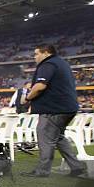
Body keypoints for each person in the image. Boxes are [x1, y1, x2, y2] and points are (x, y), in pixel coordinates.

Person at [21, 45, 84, 177]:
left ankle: (42, 171)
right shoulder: (62, 63)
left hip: (54, 109)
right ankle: (77, 167)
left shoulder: (48, 64)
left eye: (37, 54)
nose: (34, 57)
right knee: (58, 137)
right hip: (68, 108)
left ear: (46, 53)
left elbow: (40, 86)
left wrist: (27, 98)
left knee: (45, 137)